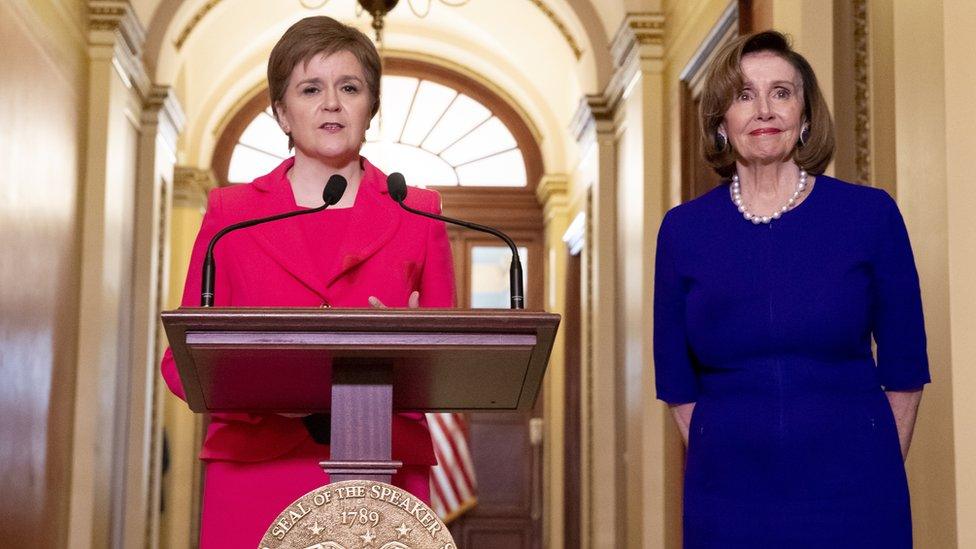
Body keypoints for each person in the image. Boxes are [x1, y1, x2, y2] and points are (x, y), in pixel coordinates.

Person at [160, 16, 455, 547]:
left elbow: (455, 364)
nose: (331, 104)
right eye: (310, 89)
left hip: (385, 469)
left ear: (371, 108)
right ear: (281, 112)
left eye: (350, 87)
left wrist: (404, 346)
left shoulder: (421, 212)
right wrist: (274, 386)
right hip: (255, 467)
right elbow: (181, 364)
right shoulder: (231, 214)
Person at [653, 30, 928, 547]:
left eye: (782, 92)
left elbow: (906, 368)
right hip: (726, 497)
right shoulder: (683, 231)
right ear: (720, 122)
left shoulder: (869, 216)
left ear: (805, 117)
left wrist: (876, 464)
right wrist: (726, 456)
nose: (763, 109)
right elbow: (675, 380)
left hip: (856, 492)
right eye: (743, 95)